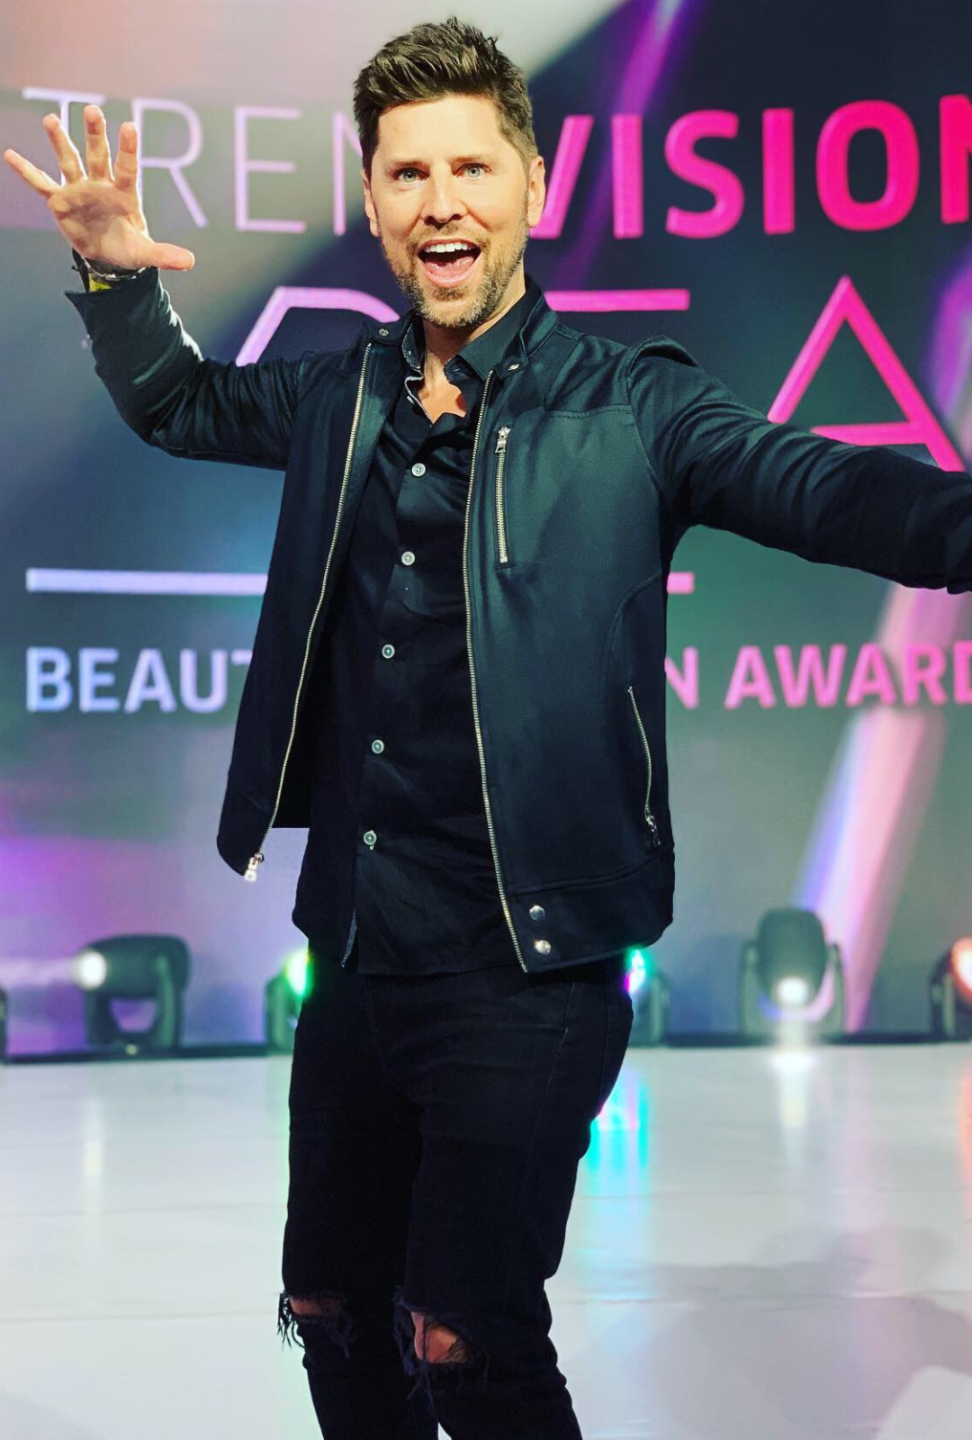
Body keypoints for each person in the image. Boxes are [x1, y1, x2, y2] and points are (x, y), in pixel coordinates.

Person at [5, 15, 971, 1440]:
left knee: (464, 1336)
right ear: (373, 200)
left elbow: (828, 490)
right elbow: (179, 403)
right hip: (356, 948)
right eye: (408, 173)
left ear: (532, 186)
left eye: (470, 167)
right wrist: (111, 275)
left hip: (533, 965)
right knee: (335, 1309)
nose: (440, 201)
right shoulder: (338, 394)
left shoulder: (634, 405)